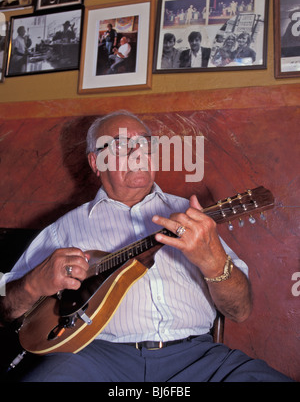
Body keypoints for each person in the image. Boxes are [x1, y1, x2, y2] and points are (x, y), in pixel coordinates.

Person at [0, 110, 294, 382]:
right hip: (94, 360)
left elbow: (240, 310)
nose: (138, 154)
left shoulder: (195, 218)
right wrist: (31, 286)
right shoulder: (62, 230)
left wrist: (213, 260)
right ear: (95, 162)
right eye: (120, 146)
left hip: (198, 360)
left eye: (145, 144)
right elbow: (4, 307)